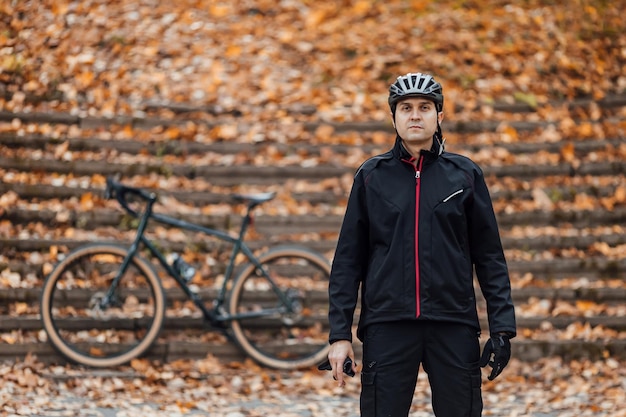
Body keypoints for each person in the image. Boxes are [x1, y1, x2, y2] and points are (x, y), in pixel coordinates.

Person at [324, 72, 517, 417]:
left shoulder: (465, 175)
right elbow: (348, 261)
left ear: (439, 116)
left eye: (425, 107)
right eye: (406, 108)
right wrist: (340, 335)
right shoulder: (371, 176)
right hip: (388, 323)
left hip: (453, 322)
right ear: (394, 117)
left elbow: (489, 256)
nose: (415, 115)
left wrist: (502, 328)